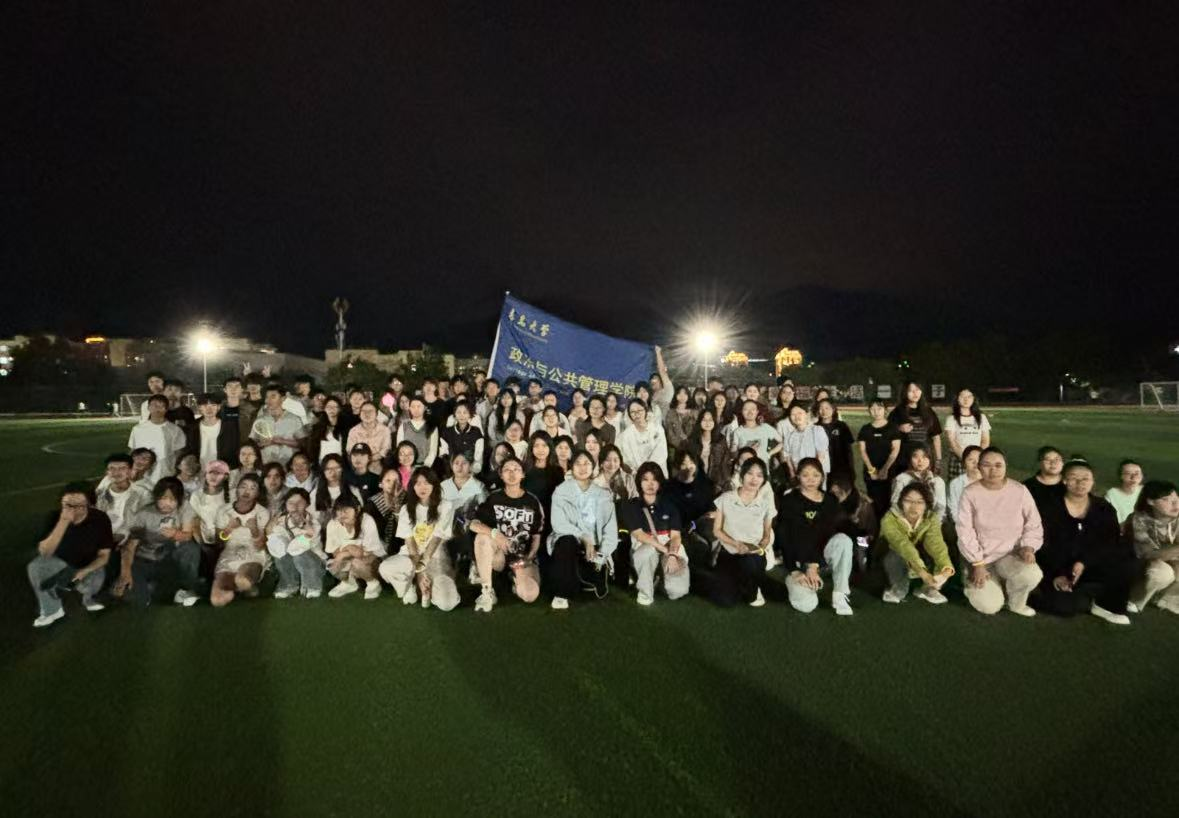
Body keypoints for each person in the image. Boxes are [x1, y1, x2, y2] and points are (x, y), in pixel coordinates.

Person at [1033, 459, 1134, 624]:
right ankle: (1039, 596)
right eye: (1074, 478)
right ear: (1064, 481)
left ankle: (1104, 604)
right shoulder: (1048, 507)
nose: (1080, 483)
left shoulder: (1103, 508)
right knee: (1065, 607)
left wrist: (1084, 562)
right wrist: (1057, 574)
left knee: (1124, 557)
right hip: (1055, 567)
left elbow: (1110, 542)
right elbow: (1043, 544)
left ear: (1093, 482)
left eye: (1086, 478)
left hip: (1090, 565)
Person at [956, 447, 1044, 616]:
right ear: (979, 467)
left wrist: (1028, 547)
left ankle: (1015, 603)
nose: (993, 470)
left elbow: (1033, 523)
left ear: (1005, 466)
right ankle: (973, 580)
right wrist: (977, 563)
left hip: (1010, 554)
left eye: (998, 465)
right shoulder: (970, 493)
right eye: (987, 465)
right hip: (981, 559)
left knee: (1032, 574)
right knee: (990, 606)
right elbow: (965, 531)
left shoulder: (1019, 490)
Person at [27, 482, 114, 627]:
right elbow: (45, 552)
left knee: (92, 584)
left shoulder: (100, 519)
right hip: (60, 564)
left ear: (89, 505)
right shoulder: (55, 517)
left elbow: (104, 555)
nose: (72, 510)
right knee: (35, 567)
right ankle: (52, 610)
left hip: (87, 566)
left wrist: (85, 571)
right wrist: (63, 521)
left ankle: (88, 599)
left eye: (79, 505)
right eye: (67, 505)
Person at [777, 458, 854, 616]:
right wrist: (794, 570)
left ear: (822, 477)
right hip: (798, 562)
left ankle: (839, 594)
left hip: (821, 559)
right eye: (805, 475)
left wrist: (814, 565)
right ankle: (796, 581)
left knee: (843, 540)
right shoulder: (789, 500)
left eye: (815, 475)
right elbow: (785, 536)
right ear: (798, 476)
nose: (811, 480)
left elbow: (827, 533)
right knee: (807, 605)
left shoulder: (830, 500)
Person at [469, 457, 545, 613]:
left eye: (516, 469)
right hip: (500, 556)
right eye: (507, 470)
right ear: (501, 475)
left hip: (522, 557)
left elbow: (536, 536)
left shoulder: (532, 501)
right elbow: (473, 524)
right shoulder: (494, 498)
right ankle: (487, 591)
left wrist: (529, 557)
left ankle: (512, 580)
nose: (512, 473)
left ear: (523, 474)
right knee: (482, 538)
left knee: (530, 595)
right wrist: (496, 534)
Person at [546, 450, 619, 609]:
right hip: (570, 541)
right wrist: (584, 537)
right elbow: (558, 524)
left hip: (595, 547)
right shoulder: (561, 491)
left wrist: (602, 553)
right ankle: (561, 594)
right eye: (578, 463)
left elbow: (610, 531)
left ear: (593, 467)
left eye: (587, 463)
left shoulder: (603, 495)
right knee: (567, 540)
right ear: (571, 467)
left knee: (592, 578)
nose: (582, 467)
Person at [378, 467, 459, 610]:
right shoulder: (406, 509)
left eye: (426, 482)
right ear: (412, 487)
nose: (422, 487)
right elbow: (410, 544)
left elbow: (437, 538)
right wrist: (420, 573)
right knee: (385, 568)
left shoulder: (446, 506)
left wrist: (424, 564)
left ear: (434, 484)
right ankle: (412, 585)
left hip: (435, 557)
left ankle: (428, 589)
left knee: (447, 604)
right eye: (418, 483)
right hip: (411, 557)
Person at [114, 477, 202, 607]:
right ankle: (150, 588)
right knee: (137, 599)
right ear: (156, 497)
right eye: (163, 498)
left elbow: (187, 536)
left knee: (190, 549)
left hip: (168, 559)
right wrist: (125, 572)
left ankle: (185, 588)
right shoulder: (143, 514)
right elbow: (130, 546)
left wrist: (175, 534)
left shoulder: (184, 507)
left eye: (172, 500)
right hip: (144, 559)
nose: (167, 504)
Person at [622, 461, 689, 606]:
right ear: (639, 482)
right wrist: (665, 550)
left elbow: (676, 536)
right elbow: (640, 535)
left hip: (668, 543)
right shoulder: (631, 505)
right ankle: (645, 592)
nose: (650, 484)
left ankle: (662, 581)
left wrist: (672, 554)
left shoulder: (670, 505)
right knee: (646, 553)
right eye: (645, 479)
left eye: (654, 479)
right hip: (645, 544)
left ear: (660, 483)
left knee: (677, 592)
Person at [711, 457, 776, 607]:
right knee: (725, 601)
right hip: (729, 553)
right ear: (742, 475)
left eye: (759, 475)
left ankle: (754, 587)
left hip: (753, 556)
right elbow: (717, 530)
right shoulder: (725, 498)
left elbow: (767, 534)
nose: (754, 479)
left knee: (750, 572)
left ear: (764, 480)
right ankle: (740, 582)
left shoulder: (765, 503)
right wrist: (736, 544)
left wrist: (759, 548)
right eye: (750, 474)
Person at [879, 482, 955, 604]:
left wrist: (946, 571)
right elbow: (902, 545)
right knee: (894, 557)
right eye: (908, 501)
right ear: (901, 502)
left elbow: (936, 544)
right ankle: (897, 587)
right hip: (893, 552)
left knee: (938, 553)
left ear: (927, 505)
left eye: (920, 502)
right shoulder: (889, 519)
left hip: (919, 553)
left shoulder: (931, 518)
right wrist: (923, 573)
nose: (913, 507)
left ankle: (929, 588)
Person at [209, 474, 270, 607]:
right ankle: (243, 588)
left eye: (252, 488)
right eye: (243, 487)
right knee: (217, 600)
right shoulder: (224, 510)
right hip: (230, 553)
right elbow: (219, 541)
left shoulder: (262, 512)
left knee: (242, 579)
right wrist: (229, 529)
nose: (247, 491)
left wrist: (254, 530)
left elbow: (261, 546)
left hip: (253, 554)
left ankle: (244, 585)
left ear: (258, 493)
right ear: (236, 489)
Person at [1127, 480, 1179, 614]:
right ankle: (1135, 600)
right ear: (1150, 501)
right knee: (1162, 573)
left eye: (1176, 498)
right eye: (1166, 499)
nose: (1175, 503)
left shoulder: (1176, 519)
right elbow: (1147, 554)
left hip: (1168, 560)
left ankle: (1165, 600)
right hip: (1138, 564)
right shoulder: (1138, 520)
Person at [266, 487, 325, 599]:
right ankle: (289, 585)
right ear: (286, 505)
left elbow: (302, 546)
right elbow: (277, 542)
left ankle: (313, 586)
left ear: (307, 504)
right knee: (279, 549)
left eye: (300, 502)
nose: (295, 506)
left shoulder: (313, 523)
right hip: (292, 563)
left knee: (299, 553)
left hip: (314, 564)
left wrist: (307, 534)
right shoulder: (281, 521)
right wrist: (270, 530)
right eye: (291, 503)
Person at [325, 495, 386, 600]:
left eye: (346, 510)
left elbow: (364, 553)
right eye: (339, 510)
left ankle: (373, 583)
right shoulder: (332, 524)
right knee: (331, 564)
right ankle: (348, 583)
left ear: (357, 509)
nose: (342, 514)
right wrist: (347, 551)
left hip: (371, 559)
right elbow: (333, 551)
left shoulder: (366, 520)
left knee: (356, 563)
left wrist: (345, 551)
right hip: (348, 559)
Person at [441, 451, 488, 582]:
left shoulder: (478, 486)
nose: (460, 467)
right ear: (451, 465)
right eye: (456, 463)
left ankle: (474, 565)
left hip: (469, 526)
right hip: (447, 526)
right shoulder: (443, 486)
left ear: (470, 466)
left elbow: (485, 509)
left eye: (464, 463)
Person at [664, 450, 717, 560]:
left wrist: (710, 515)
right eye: (684, 464)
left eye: (692, 463)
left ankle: (712, 557)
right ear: (677, 466)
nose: (688, 467)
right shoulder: (669, 488)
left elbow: (711, 507)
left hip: (702, 523)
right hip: (682, 528)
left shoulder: (705, 483)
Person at [856, 400, 902, 519]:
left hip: (889, 470)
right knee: (873, 500)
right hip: (871, 472)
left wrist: (885, 469)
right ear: (869, 411)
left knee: (889, 500)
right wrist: (871, 470)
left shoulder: (893, 428)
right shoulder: (865, 429)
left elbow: (895, 450)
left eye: (879, 409)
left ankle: (888, 525)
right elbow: (862, 451)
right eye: (873, 409)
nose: (876, 412)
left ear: (885, 410)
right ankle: (873, 525)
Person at [887, 382, 943, 477]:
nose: (915, 393)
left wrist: (938, 460)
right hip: (904, 460)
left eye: (917, 390)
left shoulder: (929, 411)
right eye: (911, 391)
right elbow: (887, 434)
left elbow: (936, 437)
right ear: (905, 393)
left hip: (925, 458)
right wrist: (899, 429)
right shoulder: (897, 412)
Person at [95, 453, 152, 546]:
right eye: (112, 469)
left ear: (130, 471)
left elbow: (146, 523)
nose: (116, 473)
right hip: (101, 540)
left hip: (132, 543)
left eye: (122, 468)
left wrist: (128, 538)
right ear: (107, 472)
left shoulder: (143, 495)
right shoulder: (99, 494)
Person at [128, 394, 187, 483]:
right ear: (148, 407)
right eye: (154, 405)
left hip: (166, 474)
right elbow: (133, 450)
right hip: (142, 476)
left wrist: (176, 470)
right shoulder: (137, 429)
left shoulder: (175, 430)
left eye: (161, 406)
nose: (157, 409)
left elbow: (179, 453)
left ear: (166, 409)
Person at [828, 474, 879, 573]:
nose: (835, 495)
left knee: (861, 554)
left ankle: (863, 570)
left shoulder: (862, 504)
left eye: (838, 493)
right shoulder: (834, 502)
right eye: (833, 493)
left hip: (863, 534)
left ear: (848, 491)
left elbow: (866, 526)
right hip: (845, 533)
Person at [250, 385, 305, 467]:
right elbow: (252, 444)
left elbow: (302, 444)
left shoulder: (294, 419)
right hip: (266, 465)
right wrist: (263, 444)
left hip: (289, 466)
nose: (268, 400)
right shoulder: (260, 420)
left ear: (283, 399)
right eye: (267, 397)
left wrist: (282, 441)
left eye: (273, 397)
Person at [890, 444, 948, 522]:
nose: (920, 461)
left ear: (930, 459)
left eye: (924, 457)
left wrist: (934, 524)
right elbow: (895, 503)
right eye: (915, 457)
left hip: (931, 522)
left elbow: (941, 507)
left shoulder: (937, 481)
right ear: (909, 459)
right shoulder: (902, 479)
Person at [943, 389, 991, 479]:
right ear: (957, 399)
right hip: (958, 458)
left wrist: (979, 457)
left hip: (977, 459)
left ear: (973, 399)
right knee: (958, 486)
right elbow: (952, 442)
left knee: (977, 485)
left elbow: (985, 440)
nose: (966, 399)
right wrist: (965, 458)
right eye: (963, 396)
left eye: (969, 397)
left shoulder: (981, 417)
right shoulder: (951, 419)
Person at [189, 460, 232, 562]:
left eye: (218, 473)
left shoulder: (232, 495)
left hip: (226, 541)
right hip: (203, 542)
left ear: (225, 476)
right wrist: (202, 545)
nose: (213, 476)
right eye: (210, 472)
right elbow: (194, 522)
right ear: (205, 475)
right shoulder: (196, 495)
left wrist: (223, 542)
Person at [777, 402, 829, 483]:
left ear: (806, 415)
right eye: (793, 414)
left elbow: (821, 455)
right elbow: (787, 457)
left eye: (799, 413)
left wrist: (812, 474)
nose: (797, 416)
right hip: (798, 475)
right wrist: (792, 474)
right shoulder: (789, 436)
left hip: (816, 474)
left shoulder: (817, 430)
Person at [682, 408, 732, 491]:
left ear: (714, 422)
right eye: (704, 420)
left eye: (710, 420)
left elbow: (725, 463)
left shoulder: (721, 440)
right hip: (695, 481)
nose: (707, 423)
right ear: (699, 422)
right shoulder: (692, 441)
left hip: (715, 482)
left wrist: (723, 483)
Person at [617, 399, 669, 473]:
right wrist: (639, 471)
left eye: (639, 410)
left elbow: (661, 453)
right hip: (636, 473)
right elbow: (626, 458)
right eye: (633, 412)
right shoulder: (626, 435)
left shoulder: (657, 429)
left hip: (656, 471)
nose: (637, 414)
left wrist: (648, 470)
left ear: (645, 411)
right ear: (629, 415)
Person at [313, 454, 363, 528]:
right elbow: (313, 518)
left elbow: (360, 513)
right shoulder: (315, 493)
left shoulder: (353, 490)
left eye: (337, 468)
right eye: (328, 469)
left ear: (342, 469)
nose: (333, 472)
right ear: (323, 471)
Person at [366, 466, 407, 550]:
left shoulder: (406, 499)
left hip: (404, 545)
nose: (392, 484)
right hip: (379, 546)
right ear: (381, 484)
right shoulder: (373, 503)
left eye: (396, 481)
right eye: (388, 480)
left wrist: (397, 509)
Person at [440, 400, 484, 474]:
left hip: (470, 471)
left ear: (470, 414)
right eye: (459, 412)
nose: (461, 415)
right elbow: (443, 453)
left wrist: (471, 471)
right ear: (454, 414)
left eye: (465, 412)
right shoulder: (447, 432)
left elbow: (478, 455)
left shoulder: (476, 432)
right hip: (451, 471)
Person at [815, 399, 854, 484]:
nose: (824, 411)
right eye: (821, 408)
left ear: (833, 409)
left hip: (840, 467)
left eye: (827, 408)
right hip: (823, 467)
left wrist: (851, 469)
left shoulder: (842, 426)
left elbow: (848, 450)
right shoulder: (814, 428)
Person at [195, 393, 237, 468]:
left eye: (213, 405)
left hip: (221, 469)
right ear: (199, 407)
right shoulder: (193, 427)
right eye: (205, 405)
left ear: (219, 407)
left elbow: (234, 449)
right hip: (199, 469)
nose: (209, 409)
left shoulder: (228, 426)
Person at [347, 401, 393, 468]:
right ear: (359, 414)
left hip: (379, 466)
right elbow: (350, 450)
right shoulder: (353, 431)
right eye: (364, 411)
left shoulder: (385, 430)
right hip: (359, 466)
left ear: (376, 414)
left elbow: (386, 450)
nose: (367, 414)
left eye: (370, 411)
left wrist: (369, 459)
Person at [1023, 446, 1066, 516]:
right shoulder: (1027, 487)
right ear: (1039, 463)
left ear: (1063, 463)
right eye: (1047, 459)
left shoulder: (1070, 483)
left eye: (1057, 459)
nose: (1053, 463)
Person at [947, 445, 983, 526]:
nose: (975, 463)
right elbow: (954, 510)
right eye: (971, 460)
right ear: (963, 463)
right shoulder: (956, 484)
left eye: (979, 459)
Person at [1104, 459, 1144, 525]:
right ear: (1121, 476)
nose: (1133, 477)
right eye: (1128, 473)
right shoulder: (1112, 494)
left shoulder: (1145, 492)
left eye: (1136, 474)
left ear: (1142, 476)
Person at [163, 379, 198, 453]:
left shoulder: (187, 412)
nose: (173, 393)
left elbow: (193, 434)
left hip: (182, 451)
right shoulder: (158, 411)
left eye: (177, 390)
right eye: (169, 389)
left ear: (181, 393)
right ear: (163, 392)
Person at [309, 395, 346, 464]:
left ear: (339, 409)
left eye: (335, 407)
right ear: (324, 408)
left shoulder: (345, 427)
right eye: (329, 407)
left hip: (340, 463)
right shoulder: (317, 427)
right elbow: (313, 447)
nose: (332, 409)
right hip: (322, 463)